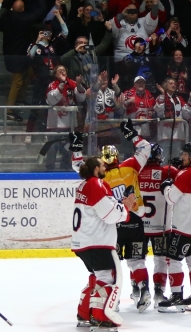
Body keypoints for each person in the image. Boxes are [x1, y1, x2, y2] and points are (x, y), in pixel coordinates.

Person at [69, 131, 137, 329]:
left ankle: (84, 314)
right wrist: (126, 209)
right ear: (95, 169)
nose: (104, 166)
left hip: (83, 243)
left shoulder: (84, 185)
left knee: (97, 277)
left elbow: (102, 209)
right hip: (96, 242)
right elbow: (110, 215)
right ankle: (101, 317)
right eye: (101, 164)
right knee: (108, 278)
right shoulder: (97, 184)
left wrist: (120, 206)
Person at [89, 120, 154, 314]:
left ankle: (113, 298)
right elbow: (145, 147)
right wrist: (131, 134)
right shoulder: (130, 166)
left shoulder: (99, 177)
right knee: (137, 262)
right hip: (135, 222)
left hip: (113, 224)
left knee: (112, 263)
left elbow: (80, 168)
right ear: (117, 157)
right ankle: (144, 292)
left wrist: (76, 149)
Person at [157, 142, 191, 313]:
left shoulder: (186, 174)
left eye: (185, 154)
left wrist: (166, 185)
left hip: (183, 226)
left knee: (174, 260)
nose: (182, 156)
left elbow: (171, 198)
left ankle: (177, 296)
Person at [133, 141, 177, 308]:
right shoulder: (168, 172)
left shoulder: (135, 172)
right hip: (161, 227)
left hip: (139, 228)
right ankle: (159, 290)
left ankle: (137, 289)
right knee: (160, 259)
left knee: (137, 259)